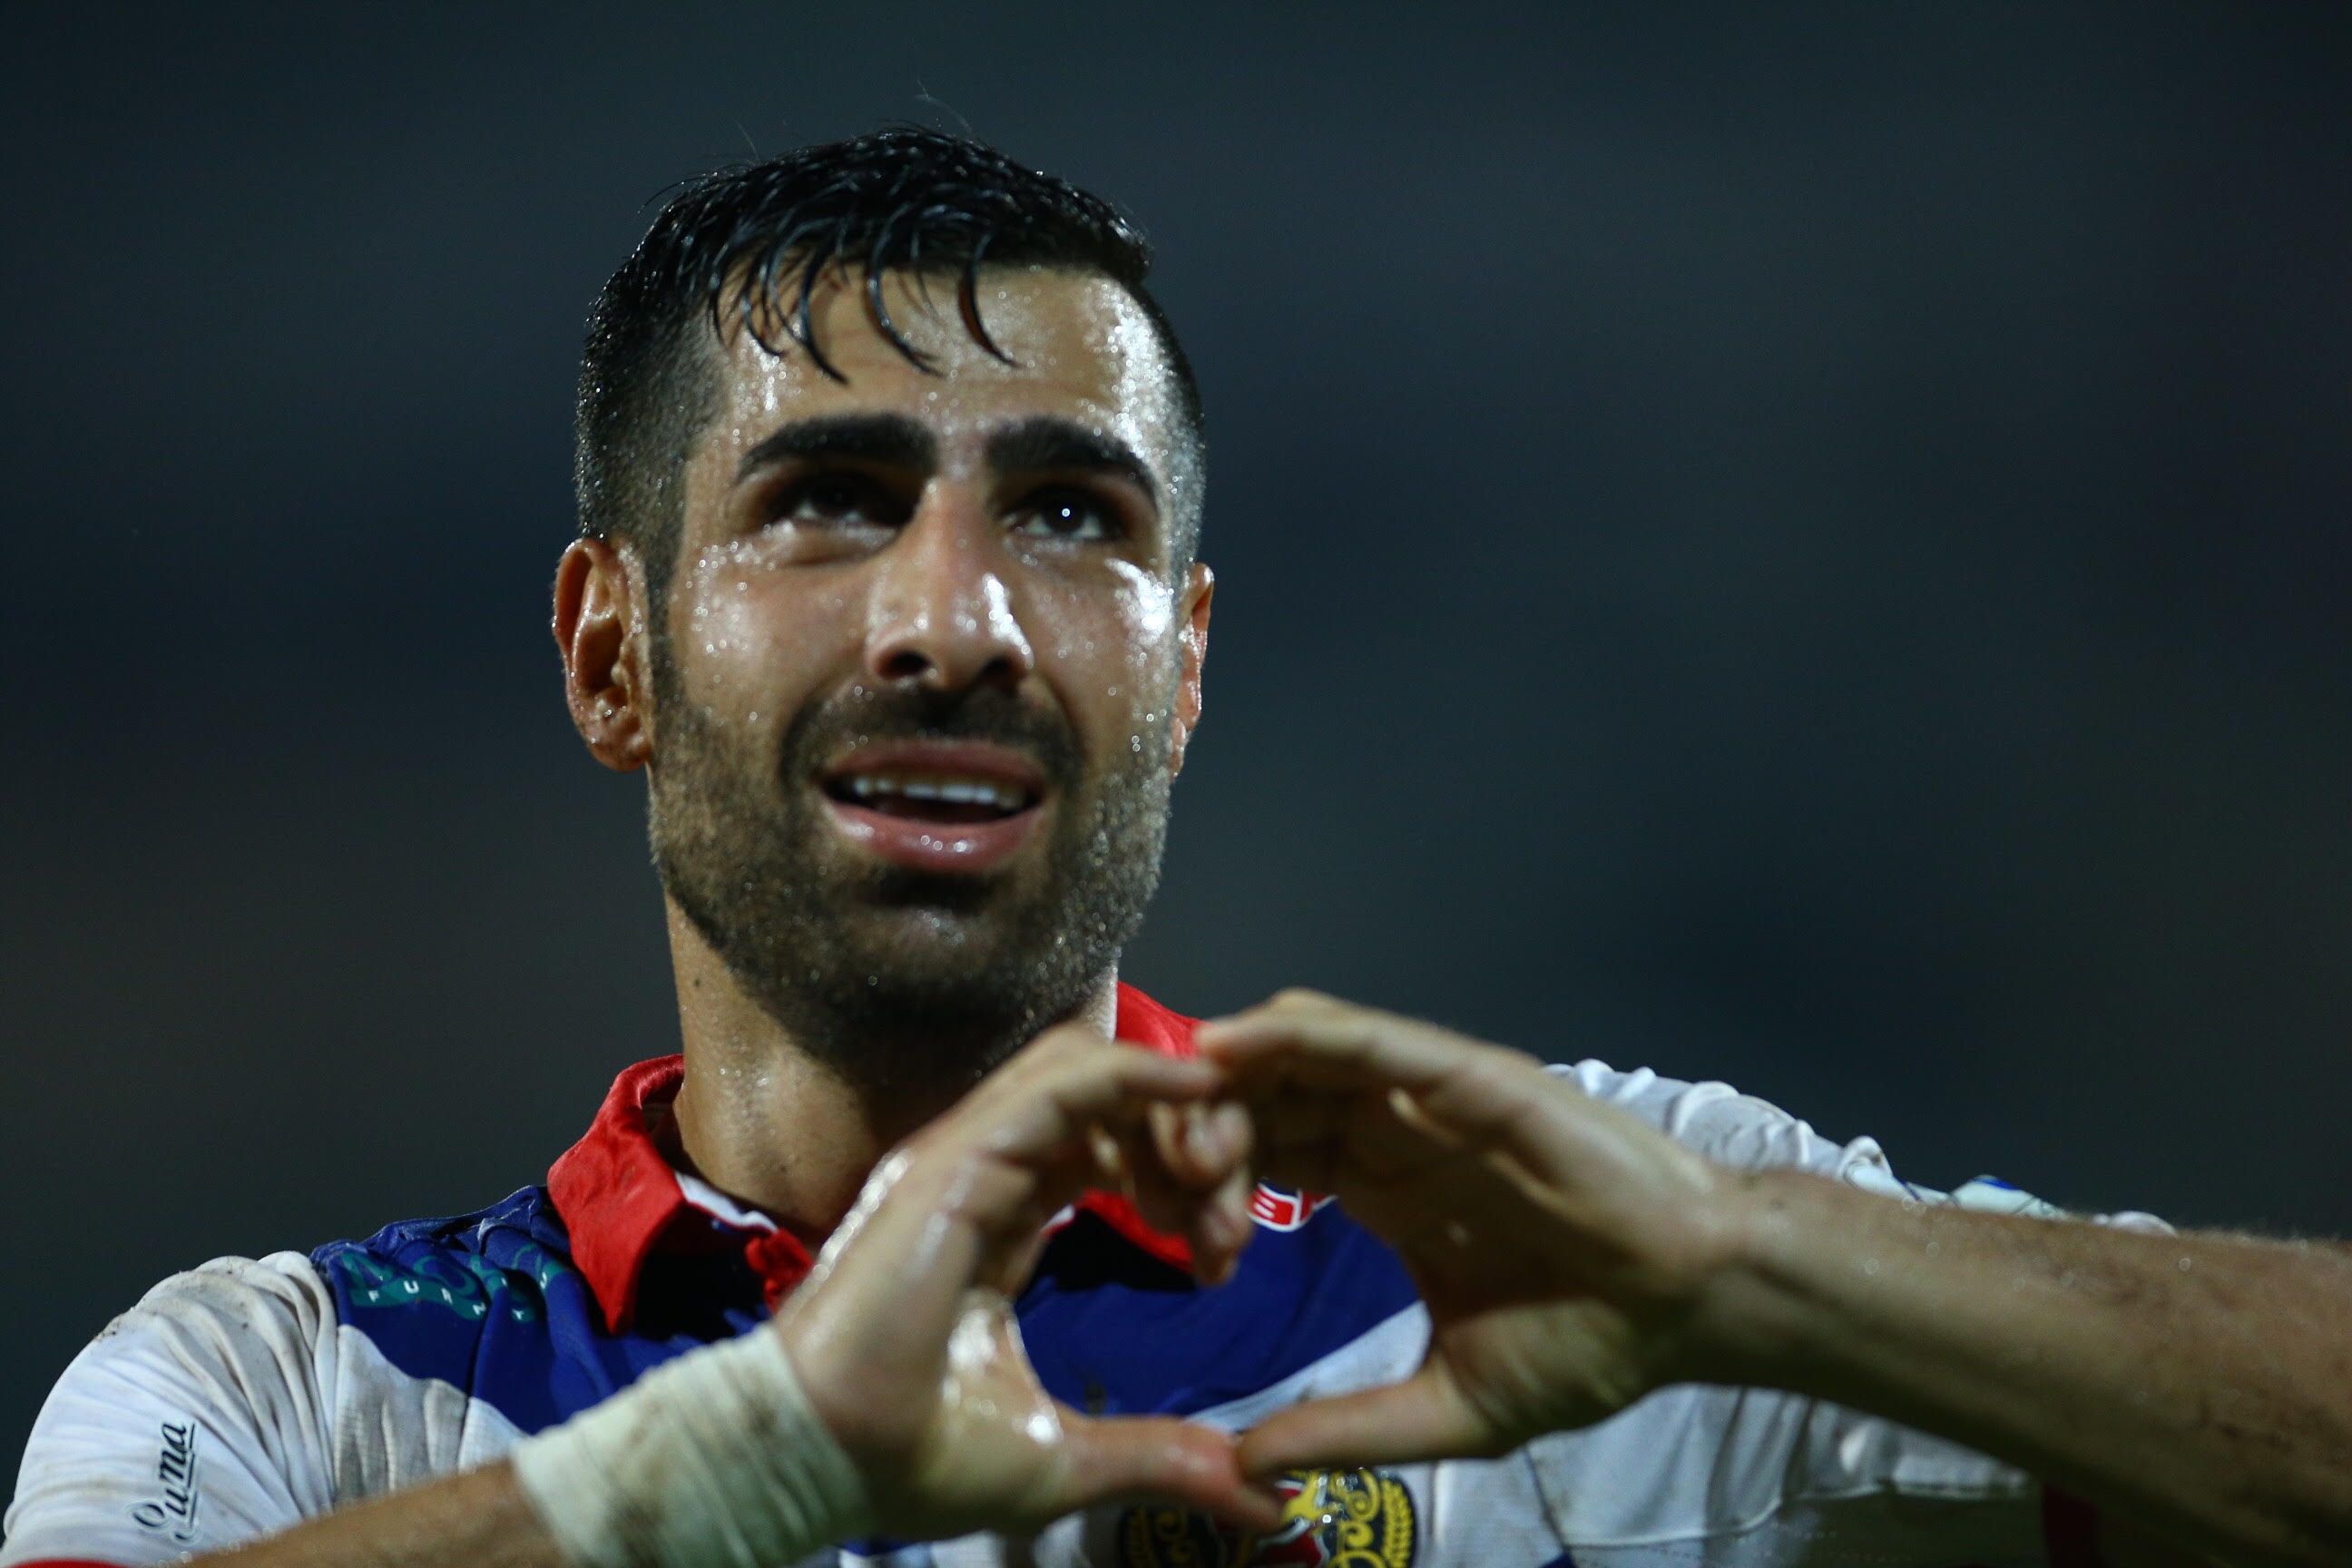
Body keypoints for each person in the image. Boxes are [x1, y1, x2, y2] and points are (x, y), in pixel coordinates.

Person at [4, 127, 2347, 1568]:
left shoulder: (1550, 1269)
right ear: (609, 653)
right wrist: (741, 1470)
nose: (956, 619)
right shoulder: (292, 1392)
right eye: (825, 504)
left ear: (1188, 664)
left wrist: (1757, 1268)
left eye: (1067, 513)